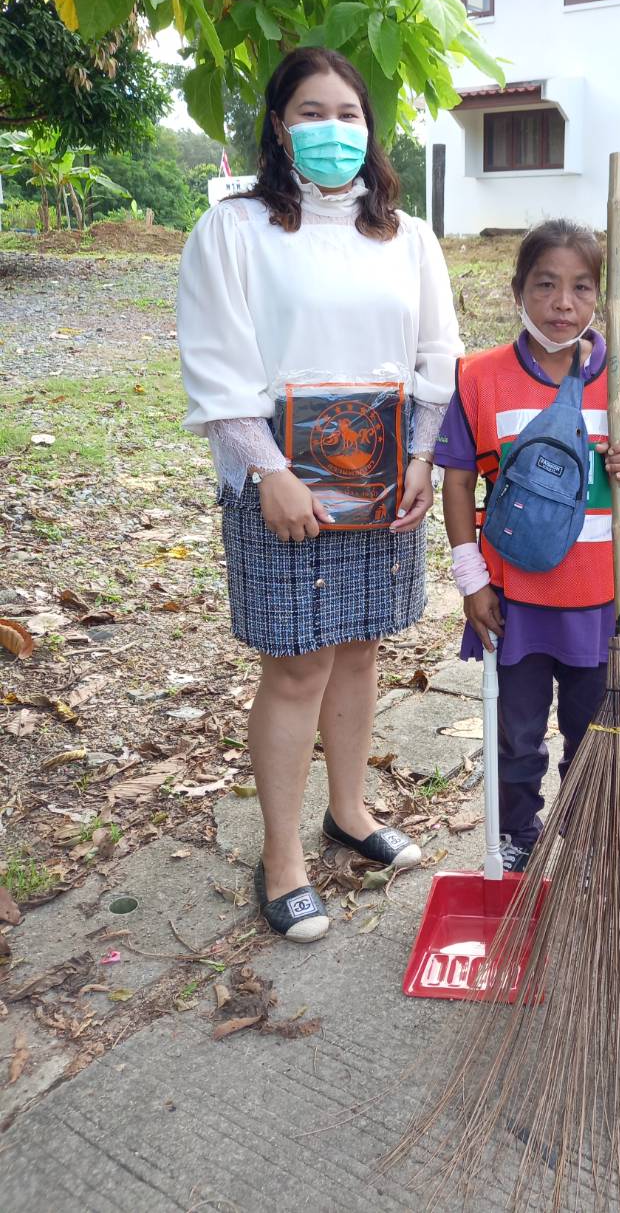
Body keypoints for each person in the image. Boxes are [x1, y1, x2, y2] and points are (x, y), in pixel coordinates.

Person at [177, 47, 462, 942]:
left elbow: (437, 356)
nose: (331, 130)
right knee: (297, 662)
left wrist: (422, 456)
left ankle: (350, 812)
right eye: (310, 112)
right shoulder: (232, 231)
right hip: (282, 485)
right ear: (277, 126)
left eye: (347, 113)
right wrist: (268, 471)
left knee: (361, 649)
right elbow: (218, 366)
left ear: (370, 128)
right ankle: (283, 856)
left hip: (384, 482)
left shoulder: (407, 236)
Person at [435, 221, 620, 869]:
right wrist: (471, 581)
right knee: (515, 735)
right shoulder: (479, 379)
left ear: (600, 297)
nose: (562, 304)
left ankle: (586, 840)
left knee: (591, 732)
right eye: (545, 284)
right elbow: (456, 482)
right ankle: (517, 834)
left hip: (602, 601)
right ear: (518, 290)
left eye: (579, 287)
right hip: (512, 602)